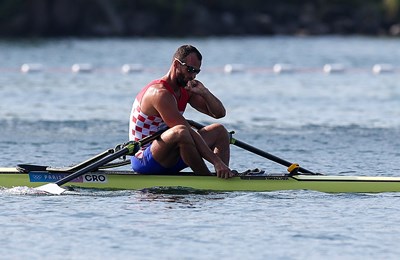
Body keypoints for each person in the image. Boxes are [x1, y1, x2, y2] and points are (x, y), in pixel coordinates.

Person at [129, 45, 234, 179]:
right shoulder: (159, 93)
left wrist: (204, 92)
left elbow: (219, 113)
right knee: (181, 131)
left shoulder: (185, 89)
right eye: (190, 70)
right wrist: (216, 161)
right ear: (176, 64)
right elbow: (185, 130)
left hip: (170, 154)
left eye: (197, 72)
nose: (192, 76)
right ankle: (206, 179)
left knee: (219, 131)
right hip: (145, 159)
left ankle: (223, 176)